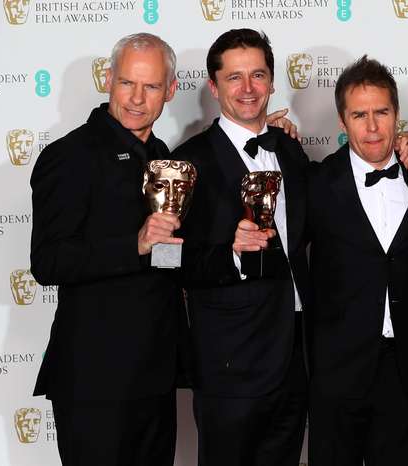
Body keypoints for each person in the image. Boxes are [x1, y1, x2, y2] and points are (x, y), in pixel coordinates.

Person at [30, 33, 186, 466]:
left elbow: (166, 258)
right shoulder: (70, 155)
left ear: (170, 90)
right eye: (126, 83)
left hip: (154, 376)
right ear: (108, 80)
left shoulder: (162, 156)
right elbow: (47, 261)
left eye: (151, 86)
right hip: (94, 380)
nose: (137, 99)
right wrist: (134, 244)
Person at [171, 29, 309, 466]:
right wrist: (230, 252)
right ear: (214, 87)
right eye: (234, 78)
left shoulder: (288, 148)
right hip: (230, 363)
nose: (247, 89)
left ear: (271, 82)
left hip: (295, 358)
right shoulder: (188, 161)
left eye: (257, 75)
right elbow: (164, 259)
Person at [305, 56, 408, 466]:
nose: (373, 126)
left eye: (382, 112)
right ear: (342, 123)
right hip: (337, 374)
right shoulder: (315, 184)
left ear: (397, 115)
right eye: (359, 115)